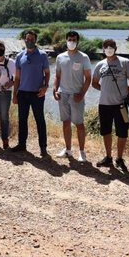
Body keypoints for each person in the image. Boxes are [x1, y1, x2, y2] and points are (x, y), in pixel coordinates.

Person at [92, 39, 129, 172]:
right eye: (106, 47)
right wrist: (104, 90)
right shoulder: (100, 64)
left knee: (122, 133)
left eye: (111, 46)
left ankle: (119, 158)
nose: (109, 49)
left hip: (120, 105)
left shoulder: (125, 62)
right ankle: (108, 157)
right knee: (106, 131)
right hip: (104, 104)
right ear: (103, 49)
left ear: (116, 48)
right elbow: (94, 83)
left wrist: (126, 96)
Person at [53, 31, 91, 162]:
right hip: (63, 94)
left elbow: (88, 78)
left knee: (79, 124)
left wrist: (82, 94)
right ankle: (68, 150)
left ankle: (82, 152)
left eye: (74, 40)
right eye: (69, 39)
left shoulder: (83, 57)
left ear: (78, 41)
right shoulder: (60, 57)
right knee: (66, 122)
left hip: (76, 96)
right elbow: (57, 76)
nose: (71, 42)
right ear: (66, 40)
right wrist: (55, 89)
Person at [12, 30, 51, 157]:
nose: (29, 41)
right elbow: (17, 78)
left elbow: (47, 73)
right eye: (27, 39)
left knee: (40, 120)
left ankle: (43, 147)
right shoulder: (19, 56)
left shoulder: (42, 55)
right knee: (22, 120)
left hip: (37, 94)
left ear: (35, 40)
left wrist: (45, 86)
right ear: (24, 39)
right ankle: (22, 144)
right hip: (23, 93)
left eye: (32, 39)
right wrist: (15, 94)